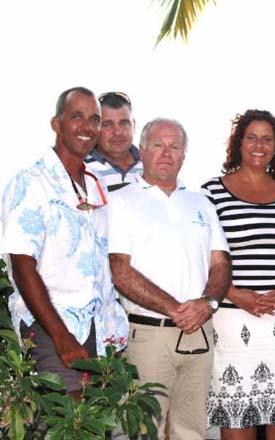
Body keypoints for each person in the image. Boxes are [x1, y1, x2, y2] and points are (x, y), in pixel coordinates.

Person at [108, 118, 232, 440]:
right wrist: (176, 308)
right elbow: (119, 270)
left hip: (200, 333)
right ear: (143, 150)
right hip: (147, 337)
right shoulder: (120, 201)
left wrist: (208, 303)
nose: (166, 153)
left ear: (184, 155)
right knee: (143, 432)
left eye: (175, 146)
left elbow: (220, 262)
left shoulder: (202, 203)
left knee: (191, 431)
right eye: (158, 145)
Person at [1, 87, 128, 396]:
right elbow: (22, 265)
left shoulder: (97, 187)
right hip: (53, 326)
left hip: (101, 330)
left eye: (94, 119)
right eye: (77, 117)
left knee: (97, 425)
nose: (87, 127)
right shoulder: (31, 183)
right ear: (56, 124)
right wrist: (60, 337)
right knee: (69, 423)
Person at [202, 109, 275, 440]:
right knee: (238, 416)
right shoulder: (210, 193)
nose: (258, 145)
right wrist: (235, 295)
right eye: (251, 137)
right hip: (232, 319)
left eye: (267, 139)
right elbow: (201, 256)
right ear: (238, 143)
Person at [84, 91, 143, 192]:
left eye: (124, 123)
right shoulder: (80, 169)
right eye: (107, 124)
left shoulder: (151, 165)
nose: (117, 132)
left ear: (134, 125)